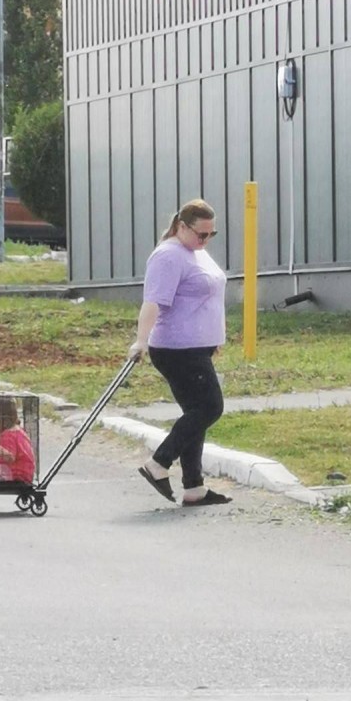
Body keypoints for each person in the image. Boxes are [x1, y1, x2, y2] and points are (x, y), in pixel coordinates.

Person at [128, 199, 232, 507]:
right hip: (177, 348)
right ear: (181, 226)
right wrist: (140, 341)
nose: (206, 240)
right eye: (201, 234)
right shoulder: (169, 256)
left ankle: (194, 488)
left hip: (196, 347)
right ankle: (159, 463)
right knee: (211, 407)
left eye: (212, 234)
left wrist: (213, 336)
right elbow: (153, 302)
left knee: (195, 415)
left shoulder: (194, 250)